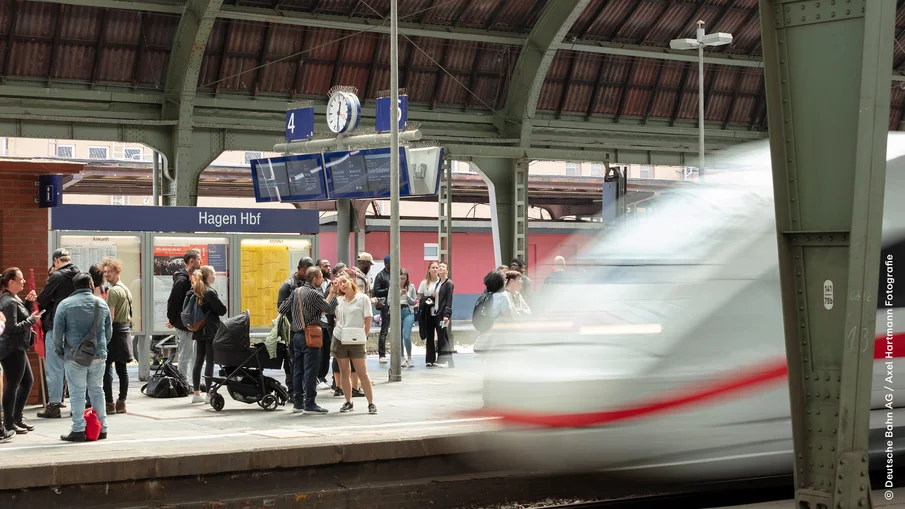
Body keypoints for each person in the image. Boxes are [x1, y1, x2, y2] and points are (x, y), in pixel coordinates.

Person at [53, 272, 112, 442]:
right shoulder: (101, 303)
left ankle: (78, 429)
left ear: (75, 287)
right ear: (90, 285)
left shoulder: (65, 305)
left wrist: (60, 351)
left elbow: (58, 332)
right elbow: (108, 332)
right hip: (99, 354)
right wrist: (101, 347)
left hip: (74, 356)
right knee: (97, 390)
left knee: (77, 393)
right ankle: (102, 428)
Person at [278, 267, 338, 414]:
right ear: (314, 279)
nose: (323, 280)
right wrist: (334, 293)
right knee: (311, 370)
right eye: (320, 278)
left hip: (296, 335)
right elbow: (329, 309)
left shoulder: (296, 291)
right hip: (310, 335)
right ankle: (310, 403)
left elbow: (282, 308)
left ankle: (298, 402)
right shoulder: (314, 293)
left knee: (297, 370)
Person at [36, 248, 80, 419]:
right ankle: (77, 405)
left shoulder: (56, 276)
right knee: (75, 366)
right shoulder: (80, 275)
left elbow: (42, 299)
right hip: (76, 328)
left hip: (56, 326)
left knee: (54, 367)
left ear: (56, 261)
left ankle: (54, 405)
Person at [0, 268, 40, 438]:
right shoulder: (7, 302)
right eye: (20, 279)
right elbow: (11, 328)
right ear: (11, 282)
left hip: (18, 347)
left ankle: (16, 417)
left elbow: (19, 315)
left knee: (27, 381)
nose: (23, 281)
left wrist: (28, 304)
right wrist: (32, 320)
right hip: (11, 348)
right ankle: (9, 422)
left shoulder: (13, 299)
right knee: (14, 385)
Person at [332, 275, 377, 414]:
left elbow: (368, 319)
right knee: (344, 371)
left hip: (357, 339)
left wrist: (364, 335)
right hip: (340, 337)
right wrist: (332, 292)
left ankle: (371, 403)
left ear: (351, 281)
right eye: (339, 284)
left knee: (362, 372)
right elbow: (330, 313)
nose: (342, 285)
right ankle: (348, 401)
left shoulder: (362, 298)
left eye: (344, 281)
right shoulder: (338, 300)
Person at [101, 257, 134, 414]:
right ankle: (122, 402)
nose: (107, 275)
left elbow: (110, 317)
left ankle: (109, 404)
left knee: (107, 368)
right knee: (122, 369)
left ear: (117, 271)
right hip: (125, 331)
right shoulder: (125, 289)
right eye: (105, 272)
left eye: (110, 272)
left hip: (114, 332)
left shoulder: (113, 291)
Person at [189, 266, 227, 404]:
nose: (216, 277)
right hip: (210, 330)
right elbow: (222, 310)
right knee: (210, 361)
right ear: (208, 276)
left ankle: (196, 393)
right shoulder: (210, 292)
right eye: (214, 274)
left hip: (198, 329)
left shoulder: (196, 290)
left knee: (198, 360)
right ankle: (209, 394)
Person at [165, 249, 201, 380]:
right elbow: (173, 302)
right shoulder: (182, 281)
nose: (200, 262)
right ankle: (183, 381)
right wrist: (173, 320)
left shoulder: (189, 278)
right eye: (199, 259)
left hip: (188, 322)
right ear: (191, 261)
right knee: (185, 354)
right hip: (185, 324)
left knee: (190, 353)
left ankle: (190, 381)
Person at [417, 261, 442, 367]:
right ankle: (430, 359)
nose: (435, 269)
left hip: (439, 312)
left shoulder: (442, 282)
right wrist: (426, 300)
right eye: (433, 267)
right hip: (428, 313)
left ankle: (441, 358)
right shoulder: (424, 283)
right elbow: (420, 297)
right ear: (429, 269)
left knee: (441, 336)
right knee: (430, 336)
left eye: (436, 267)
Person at [316, 259, 334, 386]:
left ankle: (322, 376)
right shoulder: (313, 285)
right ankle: (316, 376)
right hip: (316, 322)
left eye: (329, 265)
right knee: (317, 352)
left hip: (328, 322)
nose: (328, 268)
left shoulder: (331, 284)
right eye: (325, 266)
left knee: (327, 351)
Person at [435, 262, 455, 367]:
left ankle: (447, 360)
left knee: (443, 337)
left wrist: (447, 315)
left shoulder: (449, 284)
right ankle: (448, 361)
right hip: (438, 312)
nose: (440, 268)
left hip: (444, 313)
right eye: (439, 267)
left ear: (447, 270)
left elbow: (449, 300)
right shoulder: (439, 283)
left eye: (443, 267)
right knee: (442, 336)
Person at [372, 255, 391, 364]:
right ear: (386, 263)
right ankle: (382, 354)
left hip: (397, 306)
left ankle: (400, 353)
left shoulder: (396, 274)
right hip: (385, 307)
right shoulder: (380, 276)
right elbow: (376, 291)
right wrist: (388, 289)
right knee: (384, 330)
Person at [399, 269, 417, 367]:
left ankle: (409, 356)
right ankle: (401, 357)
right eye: (401, 278)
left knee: (406, 336)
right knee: (399, 336)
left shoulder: (411, 287)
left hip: (408, 311)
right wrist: (398, 295)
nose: (402, 281)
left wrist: (407, 295)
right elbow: (389, 302)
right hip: (397, 311)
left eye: (404, 278)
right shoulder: (393, 286)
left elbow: (414, 302)